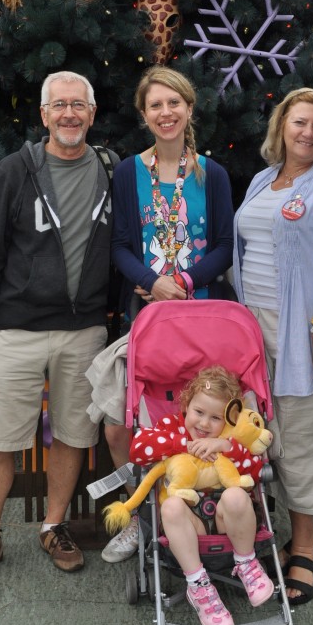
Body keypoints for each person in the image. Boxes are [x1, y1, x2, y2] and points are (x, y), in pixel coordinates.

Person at [0, 70, 117, 588]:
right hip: (16, 329)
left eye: (78, 105)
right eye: (59, 105)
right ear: (43, 115)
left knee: (72, 434)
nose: (69, 114)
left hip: (84, 330)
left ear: (92, 112)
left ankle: (53, 524)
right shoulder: (14, 171)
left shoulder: (110, 169)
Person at [100, 65, 234, 564]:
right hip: (147, 313)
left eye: (174, 102)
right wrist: (153, 281)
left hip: (202, 316)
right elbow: (118, 245)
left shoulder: (212, 174)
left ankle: (216, 511)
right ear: (144, 114)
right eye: (155, 105)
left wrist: (184, 281)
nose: (166, 112)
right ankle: (141, 520)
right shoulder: (128, 172)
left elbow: (224, 245)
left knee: (204, 412)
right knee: (134, 416)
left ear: (189, 108)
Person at [232, 88, 313, 604]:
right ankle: (262, 534)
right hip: (251, 329)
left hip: (302, 328)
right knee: (261, 431)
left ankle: (306, 543)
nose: (309, 133)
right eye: (300, 122)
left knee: (303, 436)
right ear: (282, 125)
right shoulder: (263, 180)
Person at [129, 365, 274, 625]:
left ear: (229, 420)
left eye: (216, 418)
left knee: (235, 495)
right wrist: (185, 446)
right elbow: (138, 449)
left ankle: (246, 564)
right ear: (186, 406)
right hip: (187, 528)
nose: (205, 424)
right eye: (198, 413)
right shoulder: (171, 428)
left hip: (228, 527)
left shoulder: (229, 440)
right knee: (171, 506)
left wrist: (226, 447)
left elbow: (256, 469)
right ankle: (198, 586)